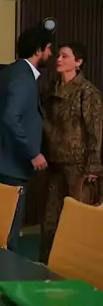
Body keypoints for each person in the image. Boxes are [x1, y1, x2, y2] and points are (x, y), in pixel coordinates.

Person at [0, 26, 53, 252]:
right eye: (49, 48)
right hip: (10, 163)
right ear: (38, 51)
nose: (51, 53)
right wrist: (33, 152)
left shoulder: (10, 71)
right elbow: (11, 117)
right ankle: (7, 271)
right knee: (8, 231)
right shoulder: (24, 78)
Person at [40, 41, 103, 262]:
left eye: (65, 56)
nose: (59, 59)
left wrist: (93, 166)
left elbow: (95, 131)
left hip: (79, 165)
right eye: (58, 55)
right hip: (55, 162)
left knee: (78, 219)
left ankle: (79, 265)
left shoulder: (87, 92)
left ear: (78, 62)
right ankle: (47, 264)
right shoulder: (52, 90)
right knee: (51, 218)